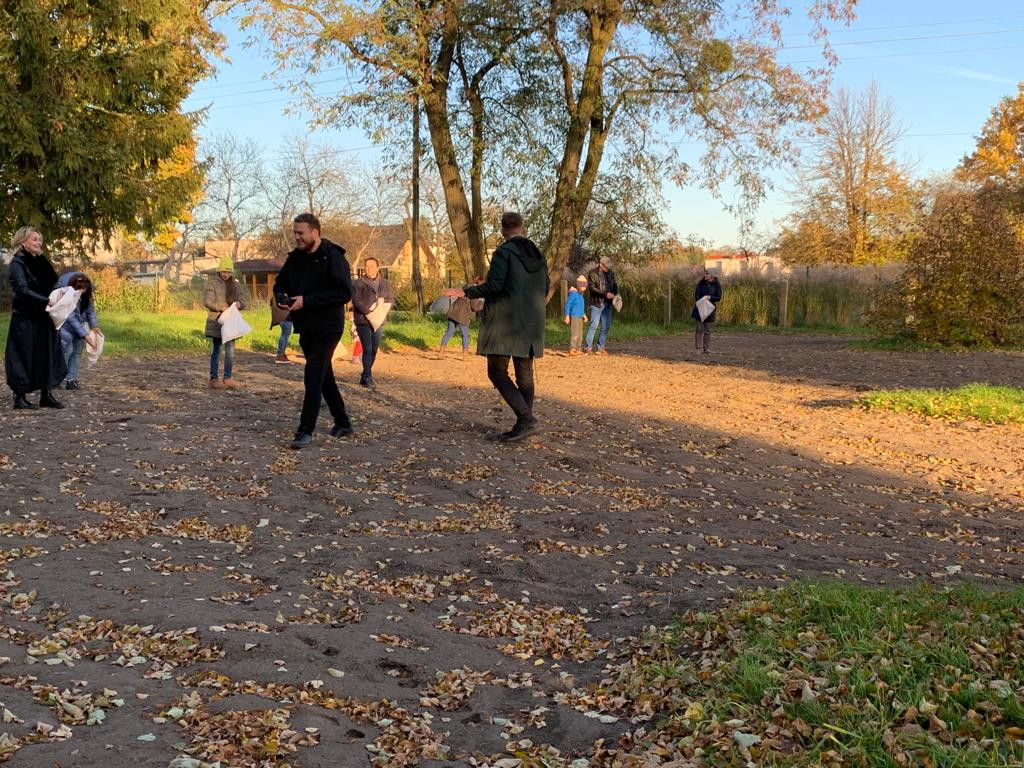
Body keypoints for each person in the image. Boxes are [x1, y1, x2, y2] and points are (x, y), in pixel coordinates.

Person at [444, 211, 547, 443]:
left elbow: (495, 284)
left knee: (497, 371)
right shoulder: (539, 255)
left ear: (503, 229)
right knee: (525, 375)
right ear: (523, 227)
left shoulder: (504, 252)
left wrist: (466, 291)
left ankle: (526, 420)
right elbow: (546, 287)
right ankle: (525, 422)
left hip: (505, 321)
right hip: (532, 322)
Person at [274, 212, 354, 449]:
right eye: (294, 232)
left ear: (314, 232)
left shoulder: (334, 257)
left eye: (300, 233)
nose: (296, 237)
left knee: (312, 374)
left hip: (329, 327)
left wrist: (306, 301)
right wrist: (281, 296)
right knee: (323, 375)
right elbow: (281, 282)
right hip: (306, 325)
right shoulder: (295, 258)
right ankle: (343, 422)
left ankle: (305, 430)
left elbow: (343, 293)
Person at [4, 227, 66, 409]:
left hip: (45, 316)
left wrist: (61, 295)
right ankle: (20, 397)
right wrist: (47, 301)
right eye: (34, 239)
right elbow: (22, 290)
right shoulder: (18, 263)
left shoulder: (41, 261)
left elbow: (52, 283)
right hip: (25, 318)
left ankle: (46, 394)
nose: (39, 243)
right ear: (23, 242)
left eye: (40, 239)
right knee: (24, 355)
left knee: (47, 353)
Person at [204, 256, 248, 389]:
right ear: (219, 271)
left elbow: (243, 301)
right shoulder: (212, 284)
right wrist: (222, 307)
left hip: (231, 323)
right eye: (224, 272)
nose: (226, 275)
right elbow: (207, 302)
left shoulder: (236, 285)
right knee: (217, 350)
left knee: (230, 351)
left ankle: (228, 378)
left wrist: (240, 304)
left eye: (229, 272)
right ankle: (214, 379)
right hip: (217, 322)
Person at [350, 257, 394, 388]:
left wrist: (384, 307)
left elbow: (390, 298)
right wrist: (368, 311)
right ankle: (368, 377)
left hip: (379, 320)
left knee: (374, 350)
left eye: (372, 266)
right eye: (367, 266)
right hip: (363, 320)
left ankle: (364, 375)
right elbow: (356, 301)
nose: (369, 268)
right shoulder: (358, 283)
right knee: (367, 349)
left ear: (378, 268)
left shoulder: (384, 282)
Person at [56, 271, 101, 390]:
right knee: (67, 351)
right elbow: (70, 317)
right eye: (80, 290)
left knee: (77, 353)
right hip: (66, 326)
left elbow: (90, 311)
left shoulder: (86, 294)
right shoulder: (66, 297)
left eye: (85, 290)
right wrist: (85, 335)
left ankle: (72, 380)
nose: (82, 292)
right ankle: (56, 380)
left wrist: (94, 326)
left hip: (81, 325)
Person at [438, 277, 484, 359]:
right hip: (462, 315)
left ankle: (441, 353)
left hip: (453, 312)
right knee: (465, 335)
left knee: (449, 332)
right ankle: (465, 356)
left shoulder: (466, 287)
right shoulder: (475, 292)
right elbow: (475, 307)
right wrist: (484, 304)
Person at [585, 255, 618, 355]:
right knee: (593, 325)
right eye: (606, 266)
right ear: (600, 264)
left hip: (607, 304)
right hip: (596, 303)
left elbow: (615, 285)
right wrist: (605, 294)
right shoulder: (592, 274)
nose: (607, 268)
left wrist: (616, 294)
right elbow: (592, 288)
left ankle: (601, 347)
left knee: (606, 326)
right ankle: (588, 348)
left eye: (608, 266)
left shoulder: (611, 273)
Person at [692, 268, 723, 354]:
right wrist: (701, 301)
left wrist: (710, 297)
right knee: (699, 329)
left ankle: (706, 349)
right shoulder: (701, 283)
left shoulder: (717, 285)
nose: (705, 275)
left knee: (708, 330)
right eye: (705, 273)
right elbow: (696, 294)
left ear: (712, 276)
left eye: (707, 274)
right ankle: (698, 349)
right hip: (700, 308)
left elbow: (719, 297)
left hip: (710, 310)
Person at [564, 275, 587, 356]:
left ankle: (578, 348)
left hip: (580, 316)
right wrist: (567, 315)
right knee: (575, 333)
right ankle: (572, 349)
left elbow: (581, 306)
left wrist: (584, 315)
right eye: (583, 286)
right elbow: (568, 304)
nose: (585, 288)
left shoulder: (581, 295)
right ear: (579, 285)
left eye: (585, 286)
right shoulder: (573, 293)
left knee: (580, 334)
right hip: (574, 316)